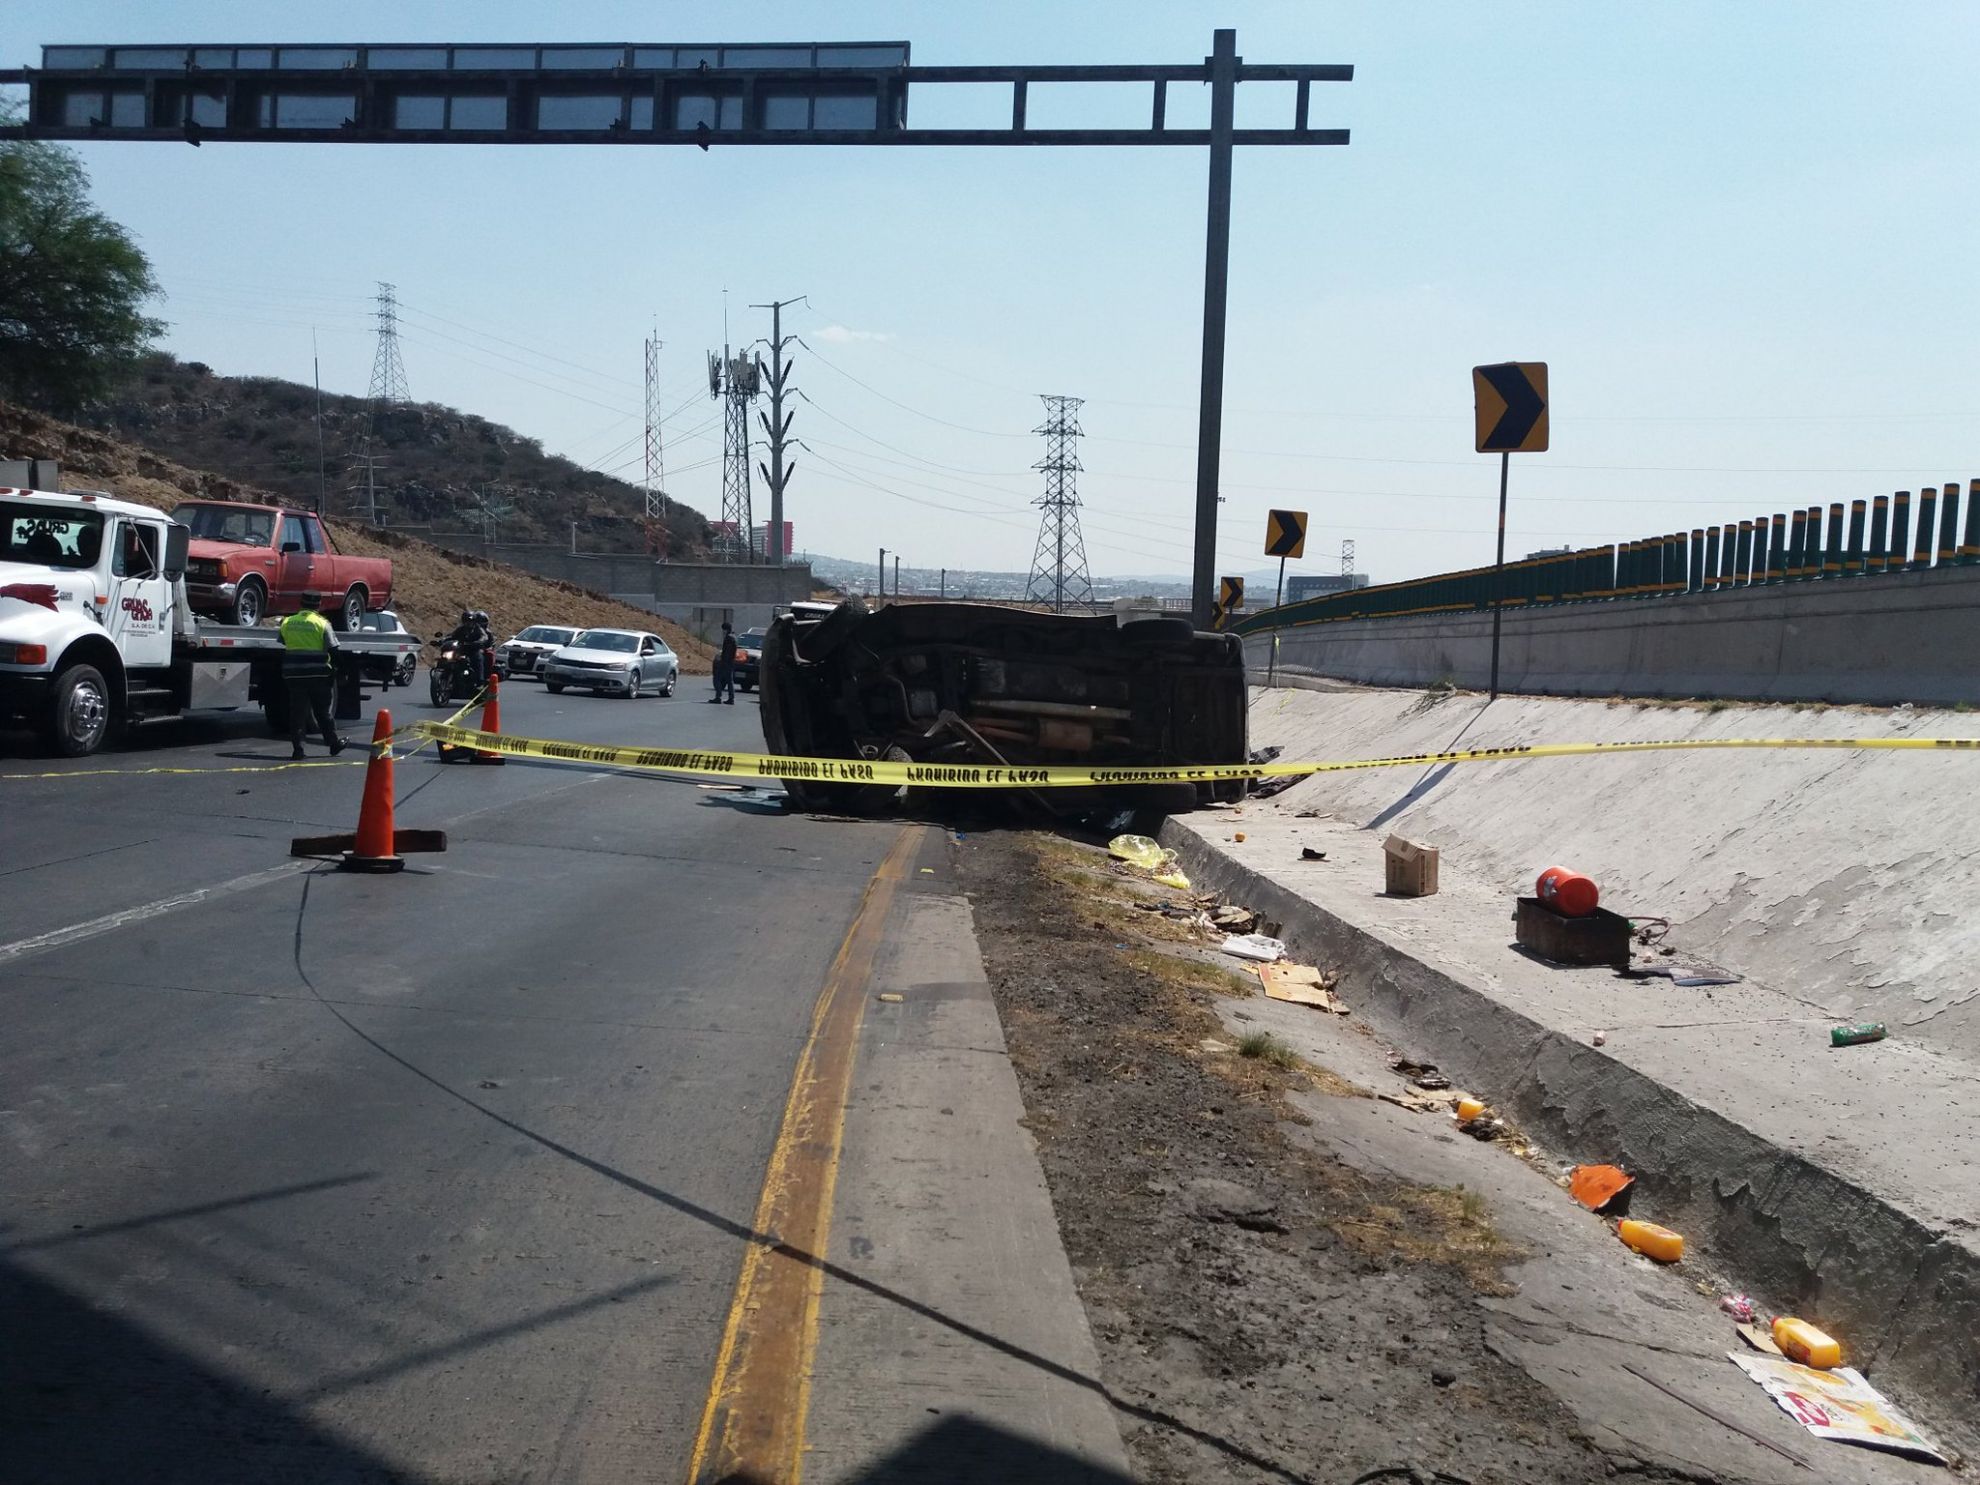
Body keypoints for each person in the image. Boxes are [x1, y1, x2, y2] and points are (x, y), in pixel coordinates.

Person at [279, 592, 347, 760]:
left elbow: (282, 641)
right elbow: (334, 650)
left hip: (293, 675)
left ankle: (298, 749)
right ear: (318, 605)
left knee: (297, 713)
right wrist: (343, 672)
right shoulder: (322, 624)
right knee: (322, 712)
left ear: (300, 603)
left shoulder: (287, 622)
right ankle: (333, 744)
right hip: (318, 675)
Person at [447, 608, 495, 685]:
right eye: (466, 621)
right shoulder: (461, 629)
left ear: (473, 622)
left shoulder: (478, 629)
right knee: (452, 658)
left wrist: (479, 642)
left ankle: (480, 680)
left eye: (469, 621)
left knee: (478, 658)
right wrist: (443, 640)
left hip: (474, 649)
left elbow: (484, 636)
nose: (468, 623)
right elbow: (452, 636)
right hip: (462, 649)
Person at [710, 621, 737, 704]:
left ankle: (718, 697)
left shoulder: (729, 638)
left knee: (717, 678)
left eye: (723, 629)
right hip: (730, 663)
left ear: (726, 629)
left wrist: (722, 662)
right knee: (729, 681)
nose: (723, 631)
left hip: (726, 663)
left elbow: (727, 653)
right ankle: (731, 698)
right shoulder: (734, 637)